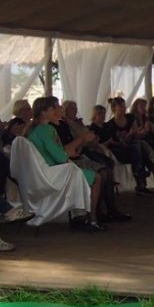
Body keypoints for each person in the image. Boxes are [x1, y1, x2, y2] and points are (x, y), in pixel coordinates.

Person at [26, 96, 107, 231]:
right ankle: (91, 218)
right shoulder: (45, 130)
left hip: (45, 173)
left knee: (88, 174)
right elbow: (61, 157)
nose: (59, 110)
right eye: (54, 108)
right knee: (96, 178)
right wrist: (81, 139)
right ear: (44, 112)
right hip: (54, 174)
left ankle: (84, 216)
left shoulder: (35, 130)